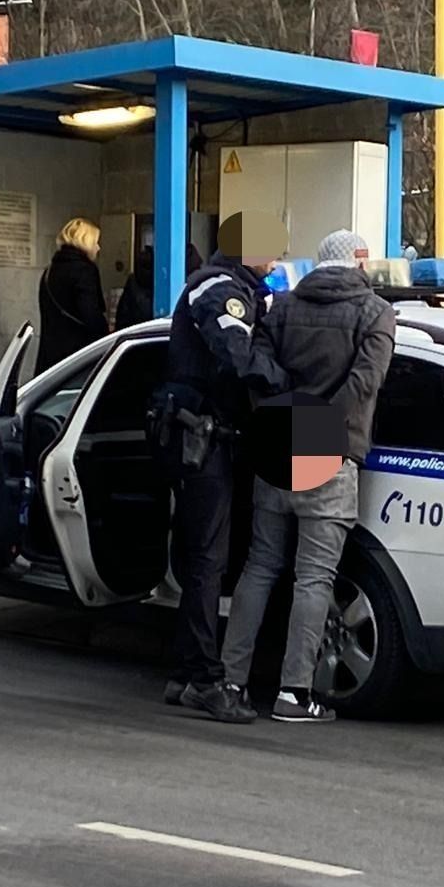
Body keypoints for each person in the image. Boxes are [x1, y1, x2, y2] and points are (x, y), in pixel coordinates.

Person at [219, 230, 396, 723]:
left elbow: (259, 369)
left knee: (260, 566)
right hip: (330, 451)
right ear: (359, 260)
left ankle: (231, 679)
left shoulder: (282, 307)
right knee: (314, 578)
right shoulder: (375, 312)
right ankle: (294, 694)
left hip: (278, 441)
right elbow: (366, 384)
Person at [157, 224, 288, 723]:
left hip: (209, 436)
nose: (275, 265)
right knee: (206, 560)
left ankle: (187, 672)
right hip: (202, 437)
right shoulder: (218, 290)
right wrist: (286, 380)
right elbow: (237, 360)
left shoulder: (241, 290)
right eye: (270, 254)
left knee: (203, 557)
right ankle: (206, 683)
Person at [36, 218, 108, 373]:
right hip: (78, 360)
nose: (98, 247)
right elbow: (91, 315)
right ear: (86, 243)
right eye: (95, 242)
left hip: (49, 358)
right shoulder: (85, 271)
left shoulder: (49, 271)